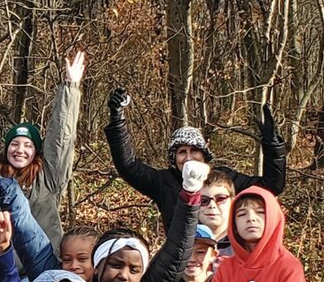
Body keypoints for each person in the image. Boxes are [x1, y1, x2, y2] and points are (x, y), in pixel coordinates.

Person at [105, 87, 287, 227]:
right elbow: (127, 166)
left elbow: (271, 186)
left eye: (194, 151)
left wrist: (273, 147)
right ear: (174, 158)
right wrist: (117, 119)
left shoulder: (224, 179)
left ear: (204, 155)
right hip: (182, 266)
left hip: (222, 262)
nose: (188, 157)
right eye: (182, 152)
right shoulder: (162, 182)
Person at [0, 51, 87, 252]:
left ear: (36, 152)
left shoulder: (48, 176)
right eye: (14, 144)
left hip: (41, 265)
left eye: (28, 145)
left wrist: (70, 86)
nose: (20, 150)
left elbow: (61, 137)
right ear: (6, 148)